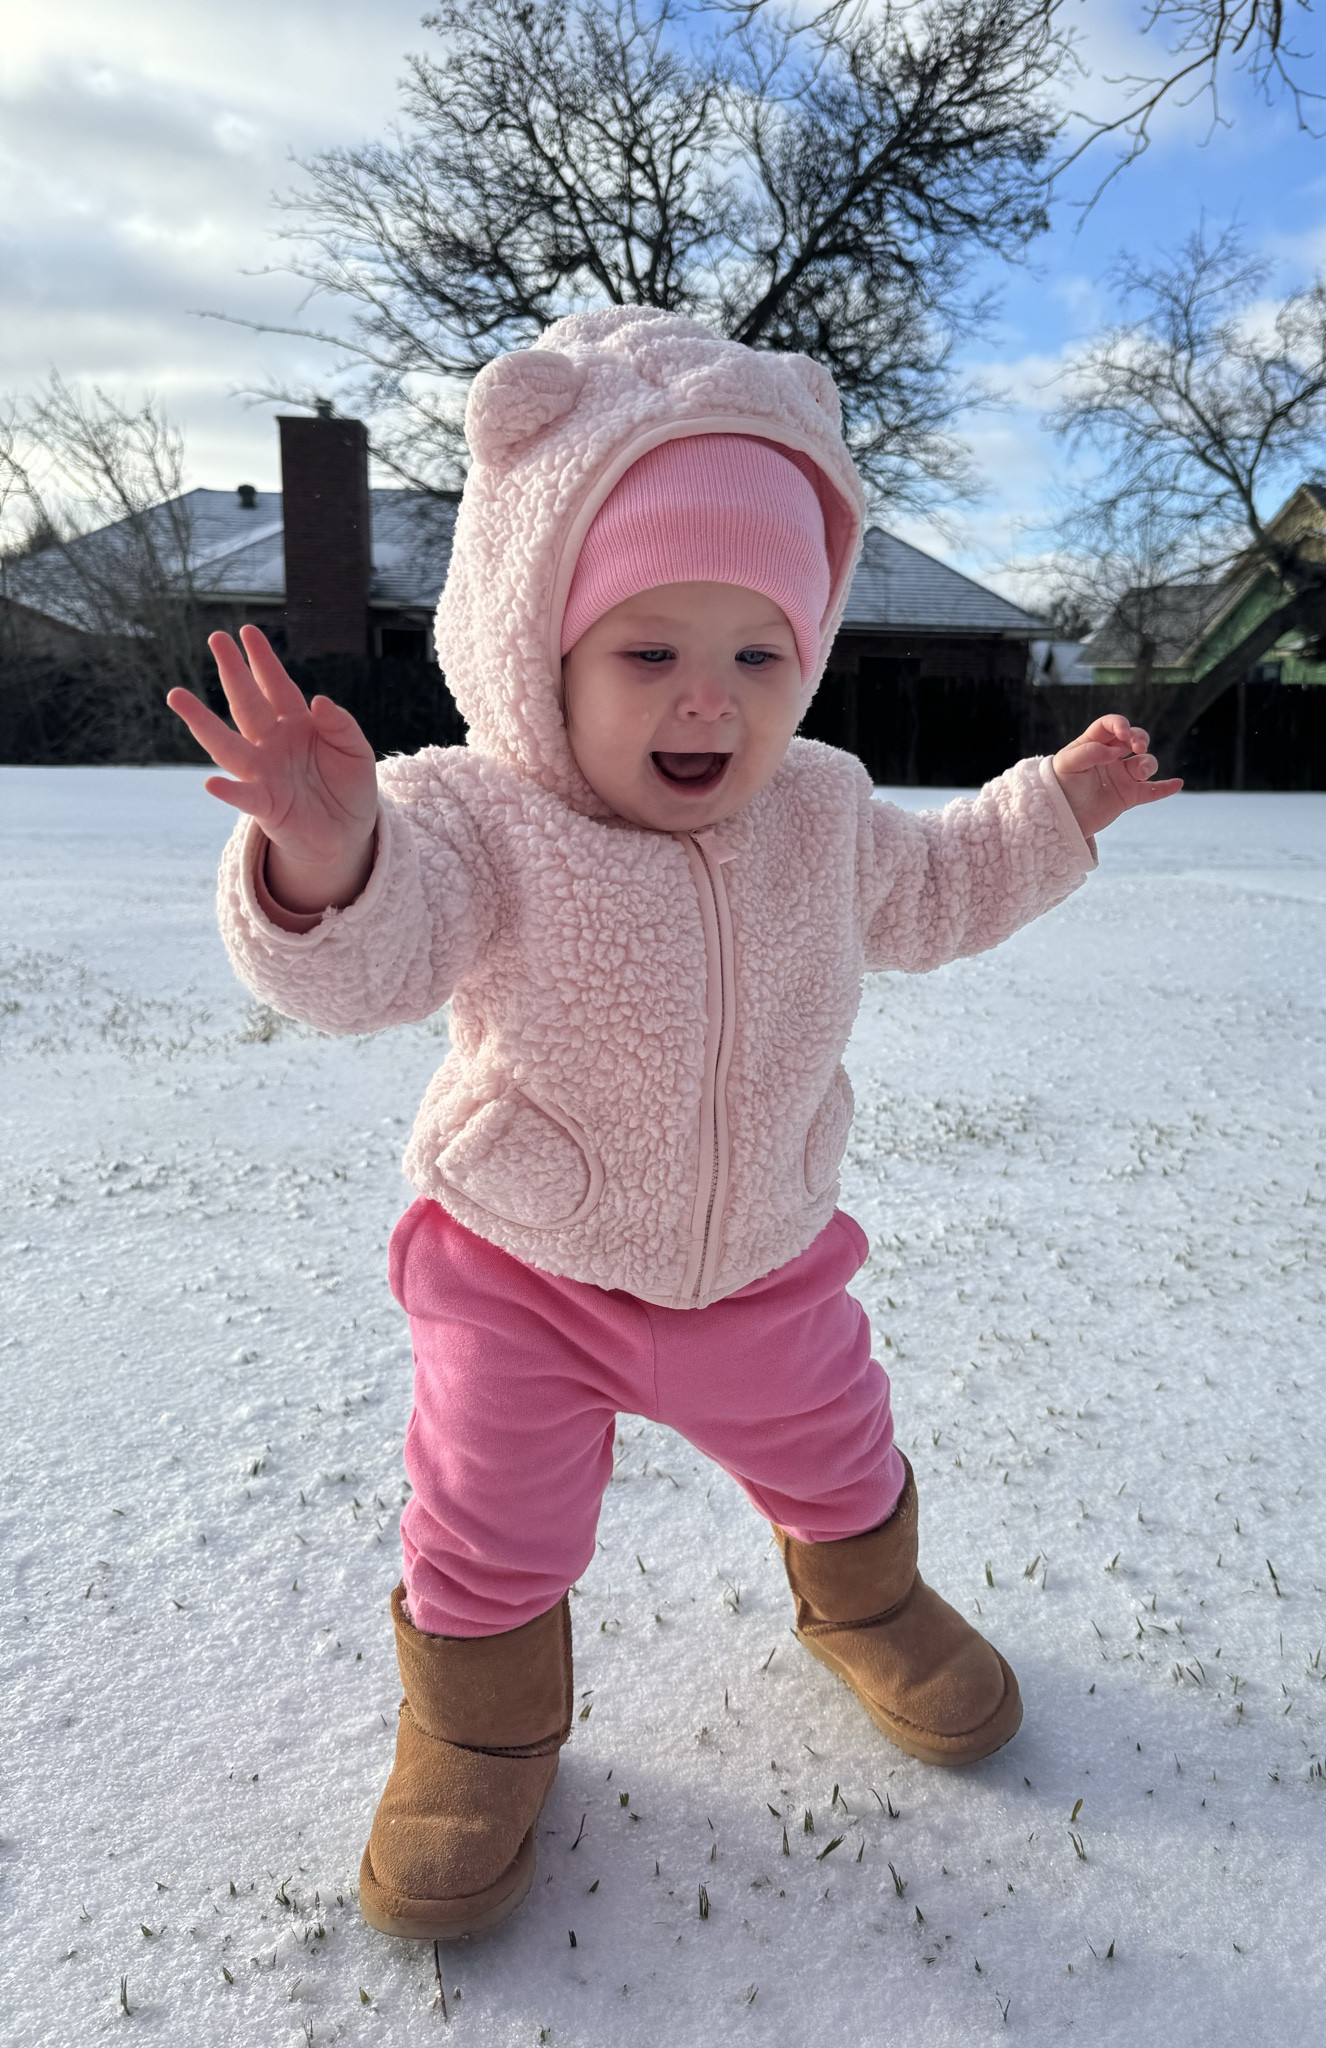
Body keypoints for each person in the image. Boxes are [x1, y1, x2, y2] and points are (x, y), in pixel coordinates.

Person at [168, 308, 1181, 1945]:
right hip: (526, 1269)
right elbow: (370, 961)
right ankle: (479, 1726)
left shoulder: (824, 814)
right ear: (535, 644)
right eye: (649, 652)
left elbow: (937, 894)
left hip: (764, 1266)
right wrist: (324, 855)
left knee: (840, 1457)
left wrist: (1053, 809)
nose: (709, 700)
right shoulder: (470, 819)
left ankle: (867, 1601)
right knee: (487, 1522)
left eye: (757, 654)